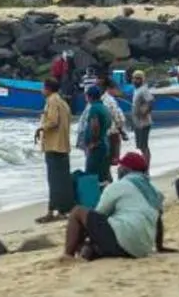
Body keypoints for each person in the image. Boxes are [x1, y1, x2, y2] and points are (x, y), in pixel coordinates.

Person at [64, 150, 162, 260]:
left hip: (124, 240)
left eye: (120, 166)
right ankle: (90, 249)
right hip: (142, 249)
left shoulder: (119, 185)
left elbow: (99, 213)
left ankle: (68, 256)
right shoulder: (153, 191)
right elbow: (158, 221)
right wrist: (160, 247)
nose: (118, 169)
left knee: (77, 212)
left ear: (127, 169)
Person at [35, 81, 74, 222]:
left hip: (54, 146)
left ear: (48, 89)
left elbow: (53, 121)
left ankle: (52, 211)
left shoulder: (51, 101)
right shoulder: (63, 102)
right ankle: (62, 211)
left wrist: (41, 128)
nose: (41, 90)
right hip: (63, 145)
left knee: (54, 180)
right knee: (63, 180)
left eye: (42, 87)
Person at [77, 84, 113, 190]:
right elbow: (109, 124)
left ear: (89, 96)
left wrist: (93, 142)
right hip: (105, 143)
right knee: (103, 175)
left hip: (97, 146)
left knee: (91, 175)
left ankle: (93, 200)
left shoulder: (94, 109)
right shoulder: (104, 108)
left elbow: (95, 125)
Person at [129, 71, 155, 156]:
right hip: (137, 123)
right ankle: (144, 164)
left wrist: (144, 113)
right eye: (133, 78)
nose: (135, 80)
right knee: (140, 146)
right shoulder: (136, 90)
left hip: (144, 123)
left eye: (137, 78)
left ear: (142, 80)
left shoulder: (143, 89)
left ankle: (146, 166)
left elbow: (151, 102)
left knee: (144, 146)